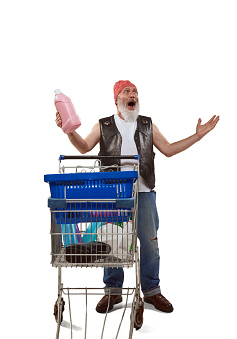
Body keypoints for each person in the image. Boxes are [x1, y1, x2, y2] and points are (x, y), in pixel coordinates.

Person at [54, 80, 219, 313]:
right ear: (117, 99)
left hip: (144, 193)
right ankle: (113, 292)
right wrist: (68, 130)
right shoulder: (104, 125)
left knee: (150, 245)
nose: (133, 95)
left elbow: (169, 149)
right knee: (111, 242)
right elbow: (83, 147)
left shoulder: (147, 125)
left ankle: (152, 292)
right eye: (126, 92)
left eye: (135, 92)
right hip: (112, 195)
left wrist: (197, 136)